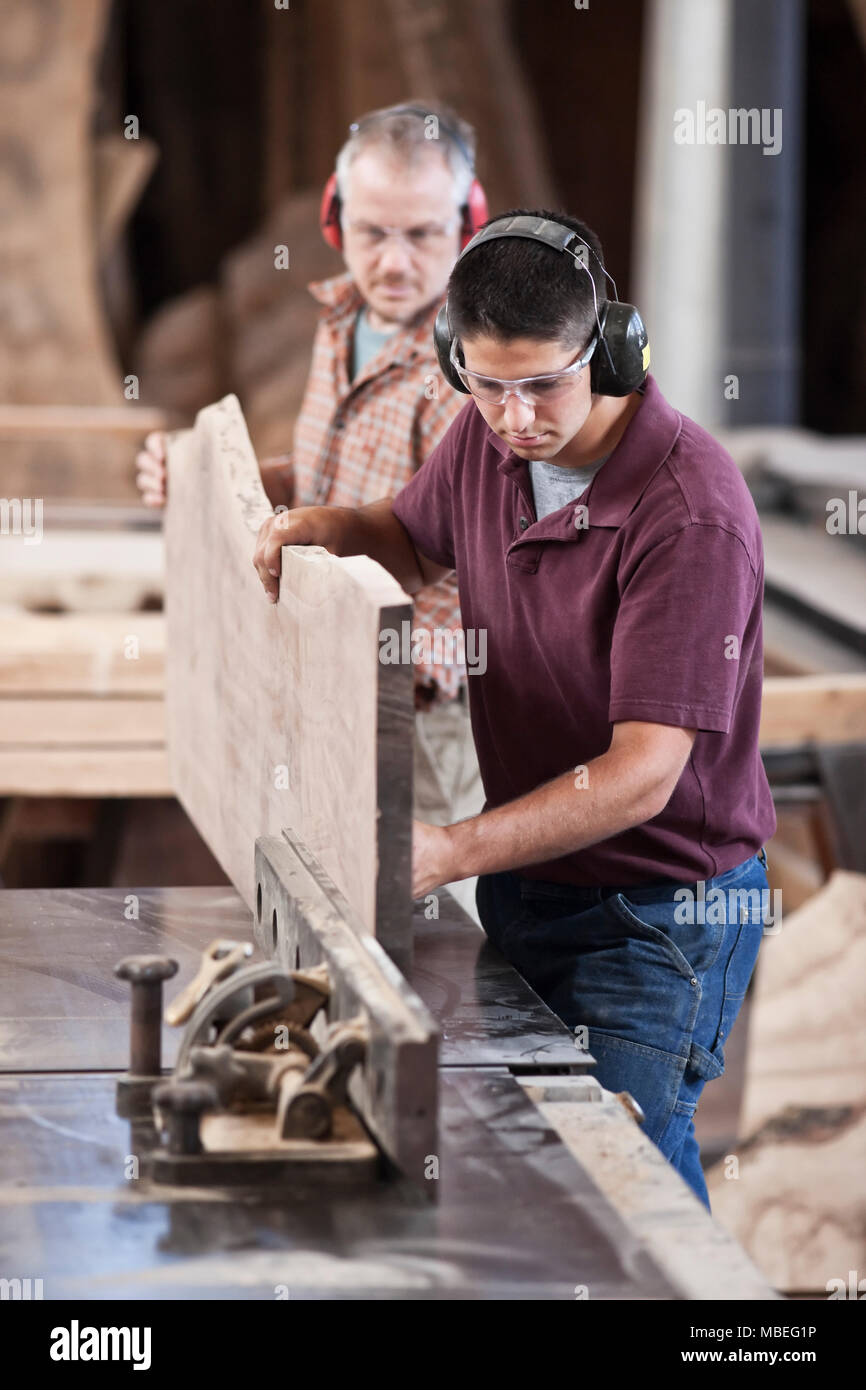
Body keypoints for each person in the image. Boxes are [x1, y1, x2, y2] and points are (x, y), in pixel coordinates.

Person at [251, 209, 778, 1209]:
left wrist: (448, 849)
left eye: (543, 383)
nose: (517, 418)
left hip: (659, 911)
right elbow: (409, 541)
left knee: (623, 1189)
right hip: (540, 881)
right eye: (487, 385)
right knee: (554, 1175)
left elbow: (642, 772)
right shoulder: (487, 442)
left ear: (612, 350)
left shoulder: (688, 513)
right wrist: (325, 528)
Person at [136, 102, 487, 921]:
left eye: (424, 235)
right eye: (372, 232)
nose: (394, 263)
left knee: (450, 932)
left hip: (429, 704)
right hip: (331, 680)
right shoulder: (341, 320)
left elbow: (449, 536)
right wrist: (207, 478)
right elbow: (327, 476)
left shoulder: (473, 373)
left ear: (469, 225)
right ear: (334, 216)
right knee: (343, 909)